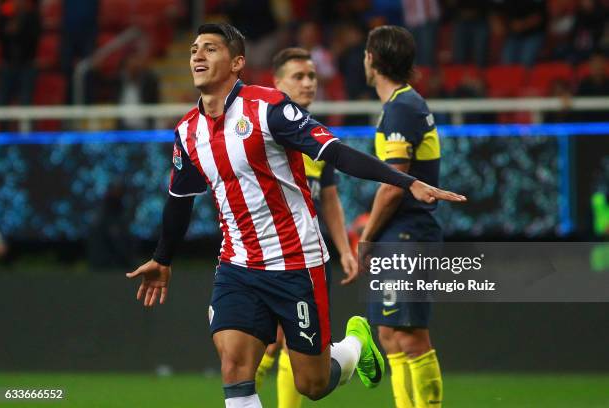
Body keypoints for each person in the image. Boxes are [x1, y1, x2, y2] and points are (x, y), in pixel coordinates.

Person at [126, 23, 465, 408]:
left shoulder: (268, 108)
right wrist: (162, 258)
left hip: (296, 262)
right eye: (193, 50)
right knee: (235, 366)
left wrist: (404, 181)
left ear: (237, 62)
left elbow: (335, 151)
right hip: (238, 264)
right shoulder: (187, 132)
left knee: (313, 384)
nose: (197, 56)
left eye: (210, 49)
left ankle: (353, 347)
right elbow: (179, 199)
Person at [253, 47, 358, 408]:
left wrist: (345, 250)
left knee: (285, 340)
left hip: (300, 255)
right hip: (259, 252)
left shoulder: (317, 136)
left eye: (312, 76)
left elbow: (329, 198)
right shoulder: (260, 130)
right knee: (264, 342)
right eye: (299, 76)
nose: (309, 83)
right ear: (276, 83)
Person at [359, 26, 444, 407]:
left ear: (372, 60)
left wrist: (366, 237)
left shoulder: (400, 109)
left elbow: (394, 183)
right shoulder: (404, 104)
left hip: (406, 235)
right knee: (389, 334)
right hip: (400, 233)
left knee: (409, 336)